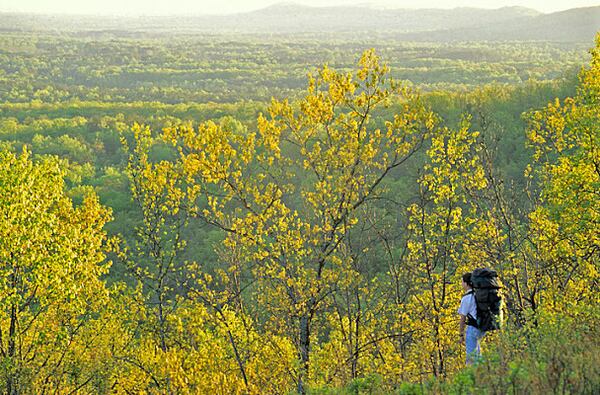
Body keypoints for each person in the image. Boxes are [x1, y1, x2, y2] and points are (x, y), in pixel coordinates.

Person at [458, 272, 485, 365]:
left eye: (462, 282)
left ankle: (474, 377)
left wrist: (461, 334)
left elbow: (462, 319)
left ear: (466, 283)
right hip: (481, 327)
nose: (461, 284)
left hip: (473, 328)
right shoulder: (478, 295)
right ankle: (483, 375)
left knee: (471, 358)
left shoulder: (466, 298)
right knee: (477, 354)